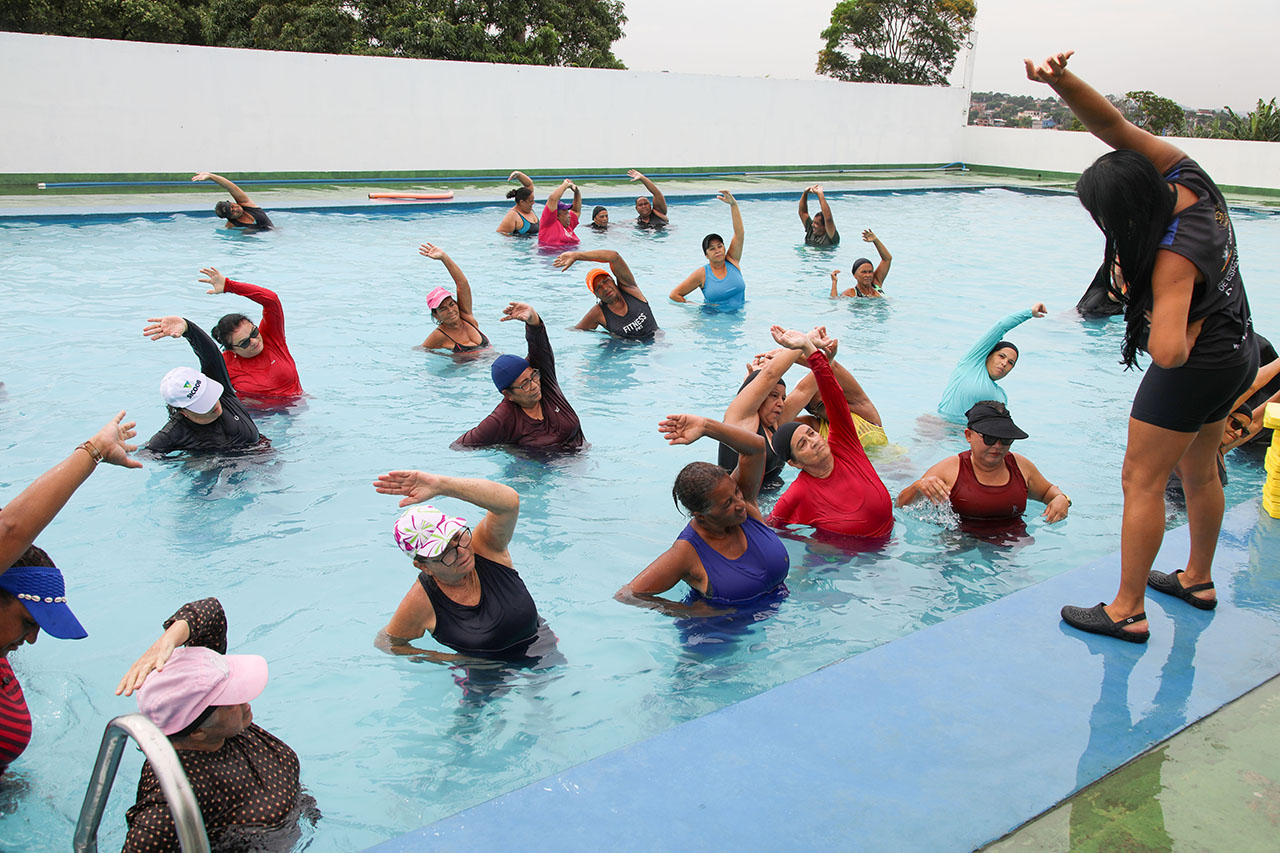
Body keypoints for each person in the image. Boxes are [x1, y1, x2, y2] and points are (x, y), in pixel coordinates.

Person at [1026, 51, 1256, 643]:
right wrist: (1061, 82)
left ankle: (1127, 609)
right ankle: (1197, 579)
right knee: (1199, 471)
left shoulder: (1171, 257)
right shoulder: (1189, 179)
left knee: (1141, 479)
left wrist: (1141, 298)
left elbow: (1169, 352)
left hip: (1196, 367)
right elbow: (1114, 126)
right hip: (1238, 349)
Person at [117, 597, 312, 851]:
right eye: (231, 699)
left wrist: (167, 640)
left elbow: (211, 611)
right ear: (198, 731)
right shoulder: (175, 796)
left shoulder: (219, 722)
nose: (245, 699)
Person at [617, 415, 789, 612]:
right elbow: (627, 595)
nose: (740, 503)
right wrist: (689, 613)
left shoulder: (746, 506)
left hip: (774, 613)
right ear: (701, 516)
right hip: (720, 628)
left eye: (736, 492)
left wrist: (706, 427)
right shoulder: (686, 552)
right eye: (728, 504)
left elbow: (756, 448)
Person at [375, 471, 547, 658]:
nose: (461, 551)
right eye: (444, 551)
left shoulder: (486, 549)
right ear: (424, 566)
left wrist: (441, 485)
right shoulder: (421, 600)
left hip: (542, 647)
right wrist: (451, 660)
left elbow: (509, 503)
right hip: (487, 672)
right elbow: (387, 643)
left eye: (457, 537)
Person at [765, 327, 894, 539]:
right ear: (794, 463)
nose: (813, 441)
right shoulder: (797, 493)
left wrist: (808, 346)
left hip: (891, 541)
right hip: (844, 556)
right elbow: (770, 528)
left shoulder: (845, 444)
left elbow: (833, 393)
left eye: (811, 435)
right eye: (802, 445)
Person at [895, 401, 1071, 523]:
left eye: (1006, 439)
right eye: (989, 438)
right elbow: (900, 505)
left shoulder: (1021, 467)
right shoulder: (949, 470)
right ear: (968, 436)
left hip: (1012, 544)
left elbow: (1047, 491)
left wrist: (1061, 499)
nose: (998, 445)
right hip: (959, 544)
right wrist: (918, 487)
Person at [453, 303, 584, 452]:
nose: (534, 385)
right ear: (508, 395)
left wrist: (532, 318)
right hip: (538, 465)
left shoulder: (545, 383)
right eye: (525, 384)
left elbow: (539, 346)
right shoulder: (503, 418)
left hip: (581, 457)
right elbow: (459, 446)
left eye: (533, 376)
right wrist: (505, 449)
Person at [143, 316, 266, 453]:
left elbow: (210, 355)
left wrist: (188, 328)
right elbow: (145, 455)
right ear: (183, 412)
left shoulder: (223, 394)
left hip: (262, 454)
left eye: (208, 394)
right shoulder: (173, 433)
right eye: (203, 403)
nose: (213, 404)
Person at [200, 267, 304, 399]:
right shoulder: (224, 364)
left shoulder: (271, 338)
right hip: (253, 411)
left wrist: (229, 285)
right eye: (244, 343)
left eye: (254, 333)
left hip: (297, 405)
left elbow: (271, 300)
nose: (254, 341)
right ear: (232, 349)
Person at [937, 302, 1048, 420]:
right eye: (1001, 356)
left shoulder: (1001, 397)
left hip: (968, 432)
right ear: (988, 356)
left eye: (1010, 363)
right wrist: (1029, 312)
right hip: (939, 426)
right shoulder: (970, 365)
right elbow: (1001, 327)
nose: (1004, 363)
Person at [716, 350, 792, 488]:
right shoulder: (740, 423)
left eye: (783, 398)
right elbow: (770, 375)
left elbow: (805, 390)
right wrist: (800, 345)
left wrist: (813, 354)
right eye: (774, 395)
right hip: (740, 500)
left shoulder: (774, 423)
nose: (781, 403)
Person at [555, 249, 660, 341]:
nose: (605, 288)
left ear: (613, 280)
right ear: (596, 295)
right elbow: (575, 331)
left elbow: (614, 257)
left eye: (606, 281)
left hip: (657, 340)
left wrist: (577, 256)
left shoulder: (630, 289)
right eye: (598, 288)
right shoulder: (598, 312)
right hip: (626, 350)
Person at [670, 191, 745, 309]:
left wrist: (733, 205)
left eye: (720, 246)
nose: (717, 250)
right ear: (706, 255)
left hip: (739, 316)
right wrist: (698, 306)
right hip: (712, 317)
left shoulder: (732, 261)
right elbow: (675, 295)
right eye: (712, 249)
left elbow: (739, 233)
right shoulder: (702, 274)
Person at [417, 243, 490, 353]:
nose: (450, 310)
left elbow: (462, 284)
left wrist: (444, 257)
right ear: (436, 316)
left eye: (451, 304)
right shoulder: (439, 335)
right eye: (443, 309)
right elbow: (420, 350)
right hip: (469, 365)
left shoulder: (466, 317)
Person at [1221, 334, 1280, 452]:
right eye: (1235, 424)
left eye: (1244, 432)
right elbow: (1251, 387)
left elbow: (1255, 423)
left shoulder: (1219, 451)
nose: (1238, 433)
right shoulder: (1200, 441)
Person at [191, 172, 273, 230]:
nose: (236, 209)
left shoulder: (246, 204)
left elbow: (230, 186)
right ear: (230, 218)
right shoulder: (232, 225)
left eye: (233, 206)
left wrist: (211, 176)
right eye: (232, 212)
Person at [830, 230, 893, 297]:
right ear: (855, 275)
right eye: (864, 272)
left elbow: (887, 259)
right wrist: (834, 282)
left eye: (870, 272)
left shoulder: (876, 284)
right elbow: (834, 300)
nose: (868, 275)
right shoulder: (851, 293)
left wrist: (875, 241)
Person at [538, 179, 582, 248]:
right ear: (557, 216)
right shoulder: (549, 223)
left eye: (568, 213)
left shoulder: (568, 225)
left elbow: (576, 211)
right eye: (566, 213)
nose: (569, 216)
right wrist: (565, 185)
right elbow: (553, 199)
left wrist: (577, 192)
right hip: (551, 253)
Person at [496, 171, 539, 236]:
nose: (533, 203)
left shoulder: (528, 206)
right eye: (531, 201)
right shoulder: (513, 215)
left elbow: (529, 184)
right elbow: (501, 232)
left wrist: (518, 174)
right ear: (522, 202)